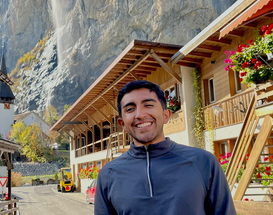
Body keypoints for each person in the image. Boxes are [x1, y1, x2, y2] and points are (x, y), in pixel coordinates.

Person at [94, 80, 236, 215]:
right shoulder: (108, 175)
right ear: (122, 124)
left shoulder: (203, 162)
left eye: (148, 105)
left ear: (166, 115)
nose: (140, 114)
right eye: (130, 109)